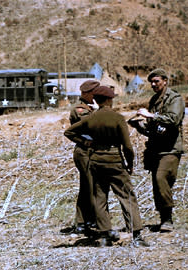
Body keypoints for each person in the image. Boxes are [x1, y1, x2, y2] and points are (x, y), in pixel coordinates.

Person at [64, 86, 149, 247]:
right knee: (127, 196)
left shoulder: (91, 118)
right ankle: (136, 235)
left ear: (95, 100)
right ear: (110, 100)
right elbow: (128, 147)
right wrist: (129, 164)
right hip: (115, 160)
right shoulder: (117, 118)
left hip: (96, 160)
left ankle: (104, 236)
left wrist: (85, 142)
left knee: (99, 198)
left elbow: (69, 132)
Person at [129, 68, 185, 232]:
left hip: (170, 148)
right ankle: (163, 218)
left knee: (162, 178)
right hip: (156, 148)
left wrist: (150, 115)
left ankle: (168, 219)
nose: (153, 84)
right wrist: (140, 126)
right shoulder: (154, 100)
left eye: (157, 81)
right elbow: (153, 128)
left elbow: (173, 119)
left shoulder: (174, 98)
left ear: (165, 81)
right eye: (151, 82)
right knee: (157, 184)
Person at [62, 79, 100, 236]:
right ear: (88, 94)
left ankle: (90, 220)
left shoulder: (90, 108)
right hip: (85, 152)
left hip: (93, 151)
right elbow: (92, 125)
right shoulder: (80, 109)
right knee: (88, 187)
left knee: (92, 186)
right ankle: (83, 222)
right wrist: (99, 111)